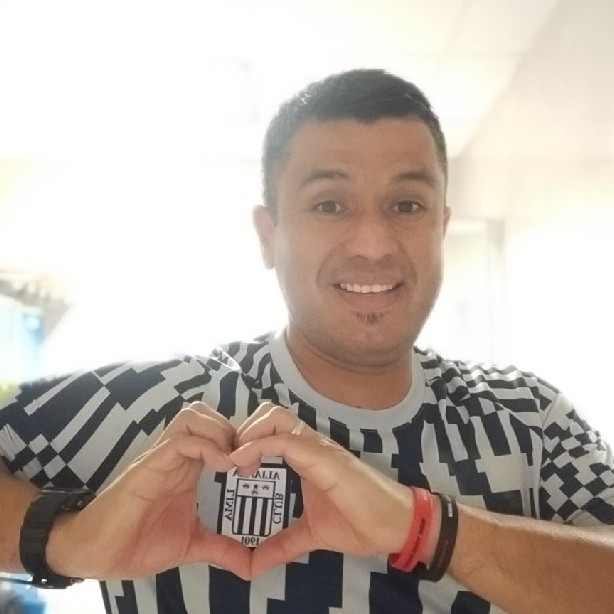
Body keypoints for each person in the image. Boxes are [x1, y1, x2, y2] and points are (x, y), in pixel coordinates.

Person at [1, 69, 613, 614]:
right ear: (268, 235)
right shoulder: (157, 407)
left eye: (406, 204)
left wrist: (424, 526)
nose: (373, 243)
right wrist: (65, 539)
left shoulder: (529, 418)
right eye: (329, 205)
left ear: (441, 226)